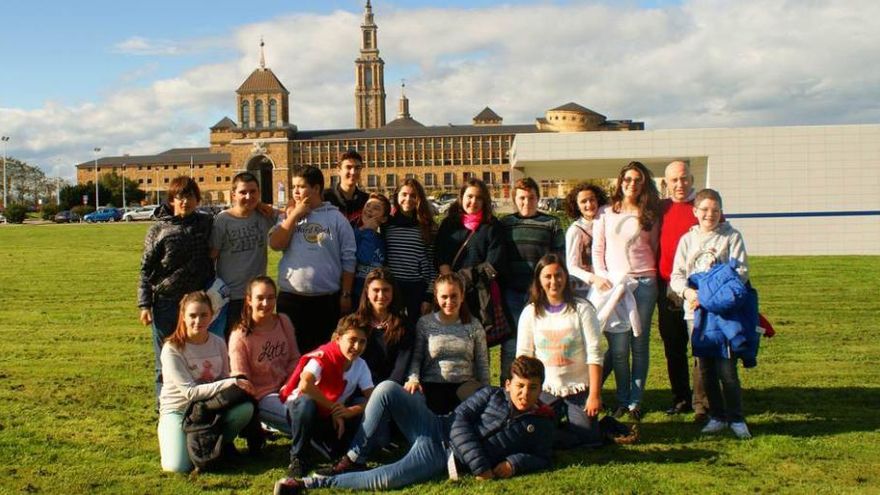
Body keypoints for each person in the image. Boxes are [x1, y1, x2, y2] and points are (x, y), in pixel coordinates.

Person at [274, 356, 555, 493]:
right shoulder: (490, 394)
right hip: (436, 427)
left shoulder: (540, 424)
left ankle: (309, 484)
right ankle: (354, 457)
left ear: (540, 389)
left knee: (385, 478)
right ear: (508, 384)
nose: (524, 394)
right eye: (519, 386)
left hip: (442, 458)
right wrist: (482, 466)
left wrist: (515, 463)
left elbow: (542, 456)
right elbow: (458, 423)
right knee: (385, 389)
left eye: (532, 388)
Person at [669, 188, 753, 439]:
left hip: (723, 315)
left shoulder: (731, 237)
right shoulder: (687, 240)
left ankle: (736, 418)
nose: (710, 215)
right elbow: (677, 275)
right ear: (695, 212)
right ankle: (717, 415)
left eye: (715, 210)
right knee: (704, 368)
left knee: (726, 368)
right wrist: (687, 293)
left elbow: (740, 272)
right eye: (704, 210)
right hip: (695, 314)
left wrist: (711, 295)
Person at [591, 161, 660, 421]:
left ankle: (635, 402)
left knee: (639, 344)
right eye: (628, 179)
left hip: (644, 284)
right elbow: (598, 251)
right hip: (615, 287)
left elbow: (652, 248)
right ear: (620, 181)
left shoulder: (649, 214)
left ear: (644, 184)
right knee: (619, 348)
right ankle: (621, 399)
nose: (632, 184)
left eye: (638, 180)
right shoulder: (605, 213)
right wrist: (603, 278)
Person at [157, 291, 253, 472]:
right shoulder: (172, 348)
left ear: (212, 316)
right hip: (179, 410)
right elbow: (190, 392)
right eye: (192, 315)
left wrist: (231, 383)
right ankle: (174, 433)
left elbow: (223, 377)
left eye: (204, 315)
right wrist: (232, 382)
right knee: (176, 467)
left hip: (208, 409)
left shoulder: (218, 343)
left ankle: (221, 445)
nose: (198, 321)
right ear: (183, 317)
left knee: (245, 409)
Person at [515, 254, 604, 448]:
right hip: (545, 390)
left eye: (558, 275)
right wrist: (526, 395)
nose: (553, 281)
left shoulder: (582, 309)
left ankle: (574, 428)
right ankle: (558, 430)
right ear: (539, 280)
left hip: (578, 388)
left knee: (589, 439)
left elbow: (595, 353)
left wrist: (594, 395)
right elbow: (523, 357)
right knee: (532, 433)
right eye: (547, 276)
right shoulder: (530, 312)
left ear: (566, 277)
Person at [139, 176, 215, 398]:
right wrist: (144, 305)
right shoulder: (158, 230)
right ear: (172, 200)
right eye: (179, 197)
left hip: (197, 305)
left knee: (195, 356)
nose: (185, 202)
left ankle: (195, 402)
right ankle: (164, 406)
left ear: (197, 199)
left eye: (190, 196)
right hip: (166, 302)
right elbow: (145, 269)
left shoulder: (206, 223)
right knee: (165, 358)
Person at [270, 165, 357, 354]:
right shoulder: (289, 216)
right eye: (293, 187)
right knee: (291, 355)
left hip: (325, 301)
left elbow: (349, 259)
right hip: (291, 299)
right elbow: (276, 244)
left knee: (323, 354)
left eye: (301, 186)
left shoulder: (337, 219)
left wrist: (346, 294)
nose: (295, 191)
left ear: (316, 188)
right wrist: (295, 215)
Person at [278, 315, 375, 477]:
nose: (357, 347)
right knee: (306, 403)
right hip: (304, 411)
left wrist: (351, 411)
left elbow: (374, 397)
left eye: (362, 342)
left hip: (332, 416)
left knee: (362, 408)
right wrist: (333, 408)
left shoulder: (360, 364)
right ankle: (298, 459)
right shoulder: (324, 356)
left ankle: (350, 455)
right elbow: (305, 385)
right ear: (338, 339)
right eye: (352, 340)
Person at [656, 160, 708, 420]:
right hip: (667, 288)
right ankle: (681, 398)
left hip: (698, 288)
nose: (680, 184)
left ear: (691, 178)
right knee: (673, 345)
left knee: (701, 343)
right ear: (666, 183)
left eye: (684, 178)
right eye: (674, 180)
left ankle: (703, 402)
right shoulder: (661, 209)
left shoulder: (702, 208)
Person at [500, 177, 565, 382]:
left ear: (538, 198)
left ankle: (540, 385)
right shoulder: (506, 224)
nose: (526, 202)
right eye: (521, 198)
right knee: (511, 342)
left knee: (542, 339)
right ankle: (508, 384)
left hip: (541, 292)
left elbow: (559, 259)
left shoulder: (551, 223)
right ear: (514, 199)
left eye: (531, 197)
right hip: (512, 292)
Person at [436, 178, 507, 354]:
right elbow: (440, 254)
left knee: (479, 346)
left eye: (478, 198)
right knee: (452, 341)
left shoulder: (492, 226)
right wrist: (449, 280)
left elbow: (494, 262)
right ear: (461, 198)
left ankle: (480, 381)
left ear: (485, 201)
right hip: (451, 295)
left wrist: (462, 278)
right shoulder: (449, 224)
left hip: (480, 295)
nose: (473, 202)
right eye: (469, 196)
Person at [228, 276, 300, 443]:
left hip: (290, 387)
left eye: (270, 297)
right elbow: (241, 379)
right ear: (249, 300)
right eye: (260, 298)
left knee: (312, 409)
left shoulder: (283, 321)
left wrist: (289, 384)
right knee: (299, 420)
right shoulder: (240, 336)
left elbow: (295, 358)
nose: (266, 304)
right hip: (263, 397)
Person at [405, 273, 490, 414]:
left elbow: (482, 363)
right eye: (444, 297)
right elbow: (417, 357)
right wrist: (413, 379)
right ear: (436, 298)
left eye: (454, 296)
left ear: (462, 296)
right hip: (432, 385)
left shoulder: (474, 325)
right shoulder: (425, 323)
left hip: (465, 387)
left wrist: (486, 391)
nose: (449, 301)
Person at [210, 172, 278, 339]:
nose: (248, 196)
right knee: (232, 346)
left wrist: (263, 205)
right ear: (233, 194)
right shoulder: (222, 220)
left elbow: (290, 211)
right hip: (230, 298)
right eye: (243, 192)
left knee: (256, 345)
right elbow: (212, 256)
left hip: (257, 297)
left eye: (253, 192)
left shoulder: (264, 216)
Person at [385, 178, 438, 328]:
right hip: (392, 288)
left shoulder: (427, 227)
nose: (408, 199)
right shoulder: (387, 224)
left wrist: (428, 296)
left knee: (415, 334)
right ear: (397, 196)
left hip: (417, 289)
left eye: (413, 195)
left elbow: (432, 263)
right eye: (404, 194)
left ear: (419, 198)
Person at [354, 267, 413, 385]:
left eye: (386, 290)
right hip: (358, 388)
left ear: (393, 292)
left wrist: (385, 391)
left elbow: (401, 367)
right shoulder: (354, 323)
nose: (381, 295)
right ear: (367, 291)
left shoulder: (404, 326)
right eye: (376, 290)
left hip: (390, 390)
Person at [564, 182, 609, 299]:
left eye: (592, 199)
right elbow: (571, 266)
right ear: (577, 205)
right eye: (583, 201)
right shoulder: (575, 230)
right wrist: (594, 279)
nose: (589, 204)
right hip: (583, 290)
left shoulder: (607, 224)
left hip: (608, 285)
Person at [352, 193, 390, 304]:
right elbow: (362, 256)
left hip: (377, 294)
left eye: (376, 208)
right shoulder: (354, 233)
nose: (369, 210)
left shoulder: (383, 239)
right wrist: (366, 229)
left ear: (383, 219)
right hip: (357, 293)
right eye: (367, 206)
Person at [323, 150, 368, 225]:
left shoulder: (366, 201)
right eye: (348, 167)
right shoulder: (325, 198)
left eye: (357, 168)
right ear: (339, 170)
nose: (353, 172)